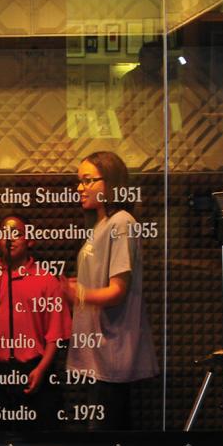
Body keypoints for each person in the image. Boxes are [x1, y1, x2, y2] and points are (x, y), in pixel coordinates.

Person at [66, 150, 158, 430]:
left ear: (111, 183)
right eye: (79, 181)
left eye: (88, 180)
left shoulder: (122, 223)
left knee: (107, 434)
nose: (80, 188)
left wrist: (79, 294)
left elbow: (117, 290)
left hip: (112, 349)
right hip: (97, 350)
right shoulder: (102, 225)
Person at [0, 214, 70, 429]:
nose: (10, 239)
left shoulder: (47, 281)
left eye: (17, 234)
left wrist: (41, 369)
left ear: (30, 240)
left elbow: (54, 334)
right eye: (4, 234)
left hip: (34, 369)